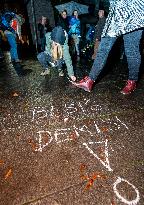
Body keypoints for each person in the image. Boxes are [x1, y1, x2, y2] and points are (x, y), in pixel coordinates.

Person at [72, 0, 144, 95]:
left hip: (134, 12)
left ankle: (132, 81)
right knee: (103, 48)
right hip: (116, 13)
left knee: (131, 50)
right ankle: (89, 80)